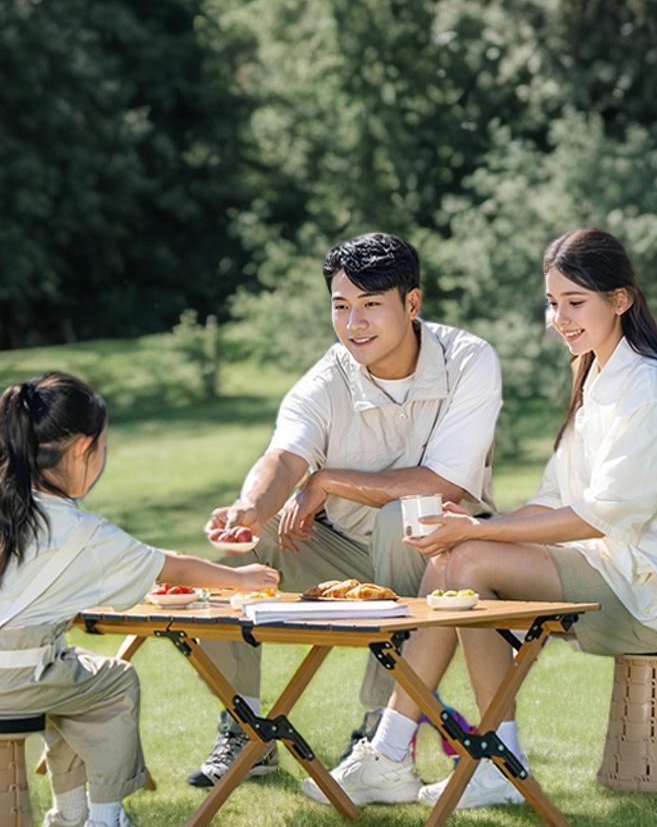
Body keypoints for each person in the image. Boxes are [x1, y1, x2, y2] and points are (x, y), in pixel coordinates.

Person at [303, 227, 657, 810]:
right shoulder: (596, 376)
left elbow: (597, 516)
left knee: (468, 560)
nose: (559, 318)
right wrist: (473, 523)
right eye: (552, 302)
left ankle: (404, 754)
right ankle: (472, 760)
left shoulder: (650, 387)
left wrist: (481, 532)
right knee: (462, 564)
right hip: (620, 574)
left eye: (575, 302)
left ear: (621, 299)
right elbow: (552, 498)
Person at [0, 371, 278, 827]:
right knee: (116, 684)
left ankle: (66, 822)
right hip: (7, 672)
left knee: (75, 677)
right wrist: (244, 578)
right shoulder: (82, 531)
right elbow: (171, 567)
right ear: (83, 448)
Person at [190, 231, 502, 787]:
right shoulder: (325, 380)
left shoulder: (469, 359)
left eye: (371, 306)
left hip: (440, 558)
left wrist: (329, 479)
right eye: (341, 307)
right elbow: (284, 458)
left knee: (404, 514)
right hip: (343, 557)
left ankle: (382, 732)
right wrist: (248, 507)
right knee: (247, 548)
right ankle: (246, 731)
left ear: (412, 303)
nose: (353, 323)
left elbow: (445, 484)